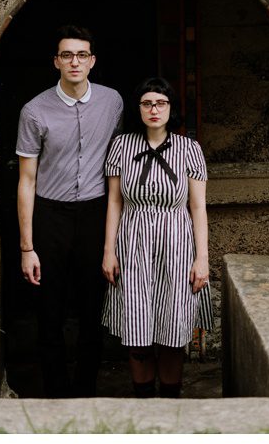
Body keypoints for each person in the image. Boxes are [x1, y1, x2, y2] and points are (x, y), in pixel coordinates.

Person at [15, 25, 126, 397]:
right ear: (56, 62)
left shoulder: (113, 102)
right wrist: (27, 247)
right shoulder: (34, 111)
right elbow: (26, 181)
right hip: (51, 215)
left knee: (92, 306)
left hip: (95, 214)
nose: (74, 62)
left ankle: (85, 390)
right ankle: (55, 393)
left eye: (81, 55)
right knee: (50, 308)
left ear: (92, 61)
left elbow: (119, 160)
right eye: (67, 55)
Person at [101, 77, 210, 398]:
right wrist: (109, 251)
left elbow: (198, 208)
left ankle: (170, 405)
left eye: (160, 103)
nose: (154, 110)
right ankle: (144, 401)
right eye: (147, 103)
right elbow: (114, 202)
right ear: (139, 109)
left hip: (176, 245)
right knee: (137, 333)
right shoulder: (121, 146)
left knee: (172, 333)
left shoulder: (189, 149)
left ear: (170, 109)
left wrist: (201, 258)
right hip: (132, 243)